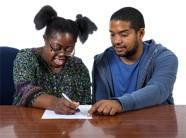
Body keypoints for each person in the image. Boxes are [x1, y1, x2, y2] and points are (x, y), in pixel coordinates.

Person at [89, 7, 178, 115]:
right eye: (112, 34)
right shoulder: (101, 61)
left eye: (124, 34)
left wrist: (119, 104)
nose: (116, 41)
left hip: (155, 126)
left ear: (140, 33)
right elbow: (100, 105)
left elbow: (159, 90)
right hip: (116, 128)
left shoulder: (165, 58)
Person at [13, 5, 97, 114]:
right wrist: (54, 103)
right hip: (29, 124)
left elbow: (86, 104)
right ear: (45, 39)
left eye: (69, 49)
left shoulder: (78, 66)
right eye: (56, 48)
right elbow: (24, 91)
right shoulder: (26, 57)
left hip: (68, 127)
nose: (62, 54)